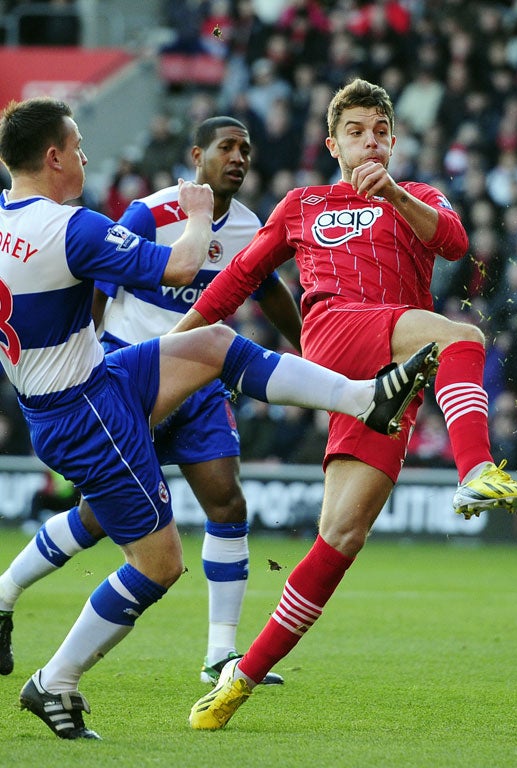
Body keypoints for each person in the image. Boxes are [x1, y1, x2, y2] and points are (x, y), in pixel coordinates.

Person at [0, 96, 437, 739]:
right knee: (159, 563)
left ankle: (363, 397)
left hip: (94, 377)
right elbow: (181, 265)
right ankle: (56, 680)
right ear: (55, 156)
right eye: (80, 145)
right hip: (84, 410)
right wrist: (199, 216)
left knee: (213, 345)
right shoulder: (76, 226)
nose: (89, 157)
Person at [178, 77, 517, 731]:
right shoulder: (304, 202)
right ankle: (474, 472)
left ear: (394, 140)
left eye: (380, 130)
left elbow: (457, 245)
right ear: (332, 143)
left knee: (341, 536)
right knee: (463, 337)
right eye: (356, 131)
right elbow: (242, 275)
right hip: (336, 332)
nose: (370, 141)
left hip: (388, 382)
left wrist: (397, 196)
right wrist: (173, 350)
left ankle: (239, 679)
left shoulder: (420, 197)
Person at [0, 116, 302, 687]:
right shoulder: (149, 213)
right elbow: (94, 290)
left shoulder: (249, 227)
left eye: (245, 148)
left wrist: (308, 344)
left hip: (200, 381)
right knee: (101, 518)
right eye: (225, 147)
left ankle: (220, 654)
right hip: (129, 373)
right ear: (197, 155)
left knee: (226, 501)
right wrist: (78, 373)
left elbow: (270, 291)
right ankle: (8, 590)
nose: (238, 157)